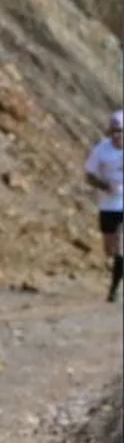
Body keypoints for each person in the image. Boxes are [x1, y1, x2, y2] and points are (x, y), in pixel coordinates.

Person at [82, 109, 123, 303]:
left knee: (121, 245)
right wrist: (105, 186)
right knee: (110, 249)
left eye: (121, 131)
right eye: (114, 130)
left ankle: (114, 290)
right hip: (108, 204)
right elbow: (88, 175)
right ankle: (118, 270)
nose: (117, 135)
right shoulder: (101, 150)